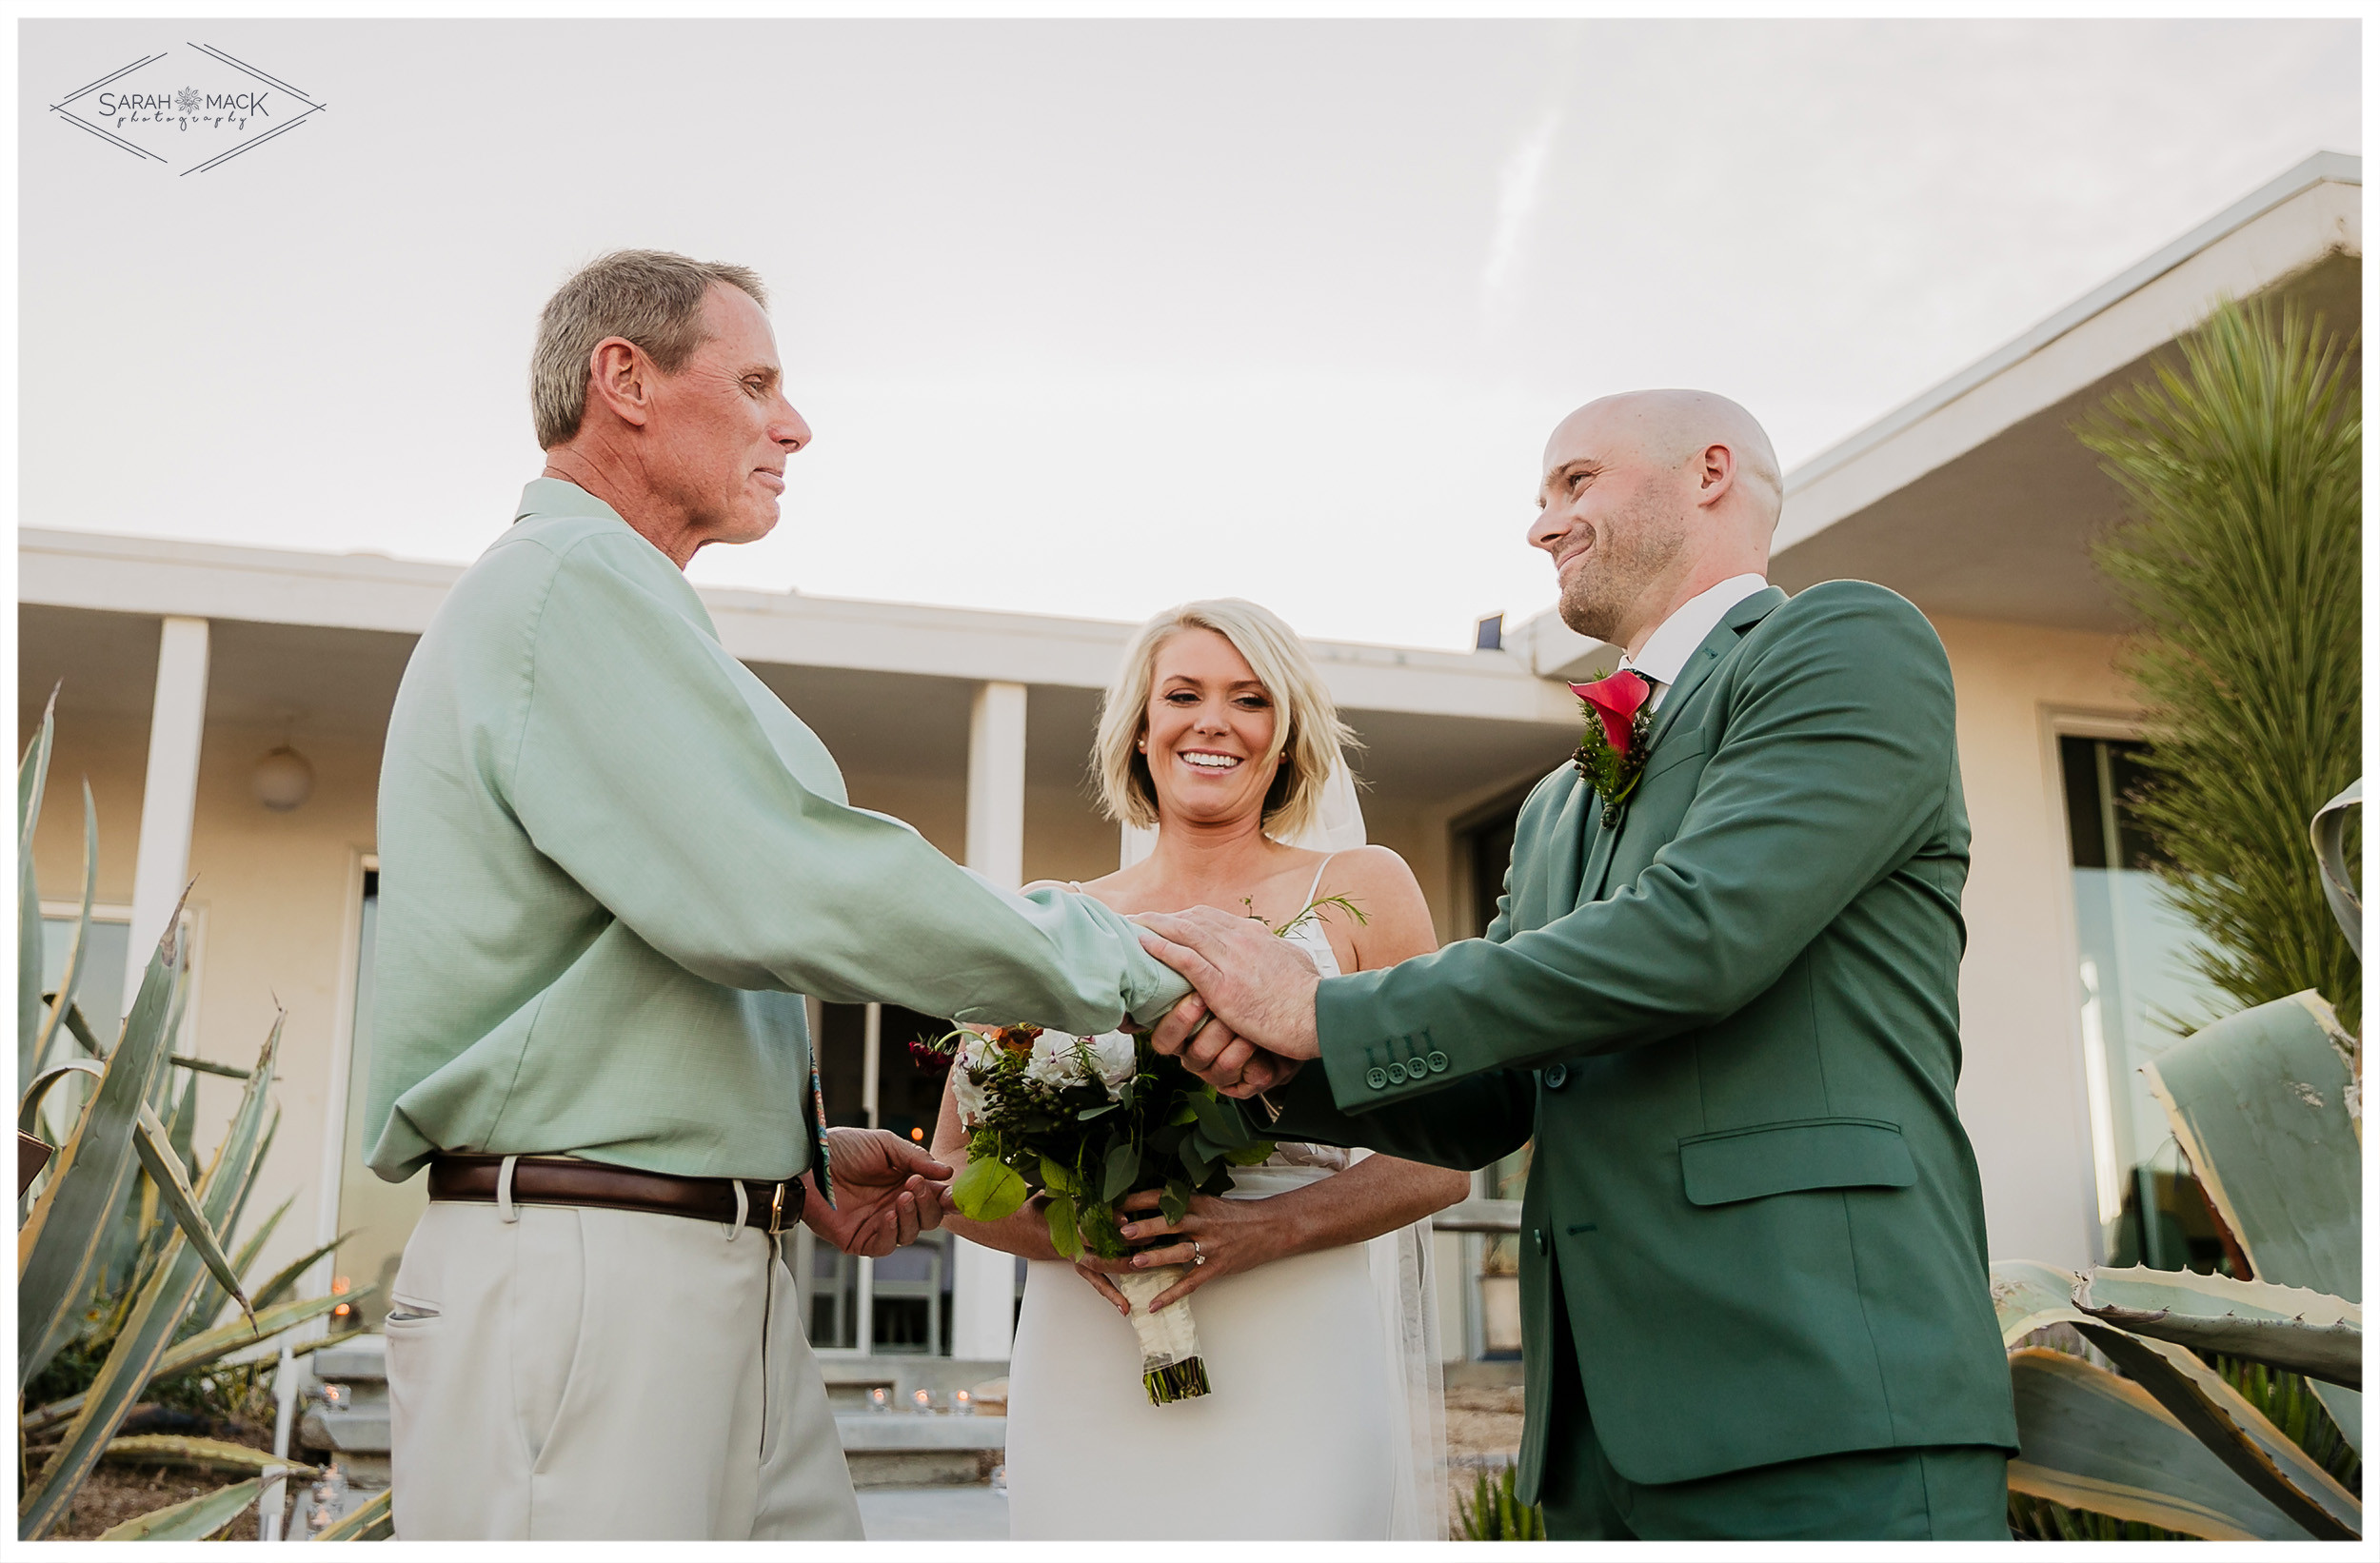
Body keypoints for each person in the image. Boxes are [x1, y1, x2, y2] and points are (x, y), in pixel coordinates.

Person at [367, 249, 1193, 1541]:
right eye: (755, 383)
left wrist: (786, 1153)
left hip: (696, 1269)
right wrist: (1144, 968)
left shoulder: (621, 606)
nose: (793, 424)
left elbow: (669, 933)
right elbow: (779, 883)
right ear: (625, 381)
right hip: (590, 1282)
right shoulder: (565, 588)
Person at [1134, 390, 2019, 1541]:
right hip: (1598, 1429)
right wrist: (1265, 1061)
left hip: (1822, 1381)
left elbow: (1696, 936)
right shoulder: (1556, 803)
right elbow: (1494, 1096)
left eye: (1574, 483)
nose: (1542, 526)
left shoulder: (1844, 642)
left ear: (1709, 472)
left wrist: (1321, 1007)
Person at [932, 600, 1468, 1539]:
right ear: (1141, 730)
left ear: (1285, 734)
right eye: (1181, 694)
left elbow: (1443, 1152)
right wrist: (1079, 1235)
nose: (1211, 720)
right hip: (1087, 1347)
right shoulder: (1047, 919)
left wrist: (1264, 1228)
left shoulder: (1362, 888)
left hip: (1295, 1332)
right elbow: (953, 1172)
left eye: (1248, 699)